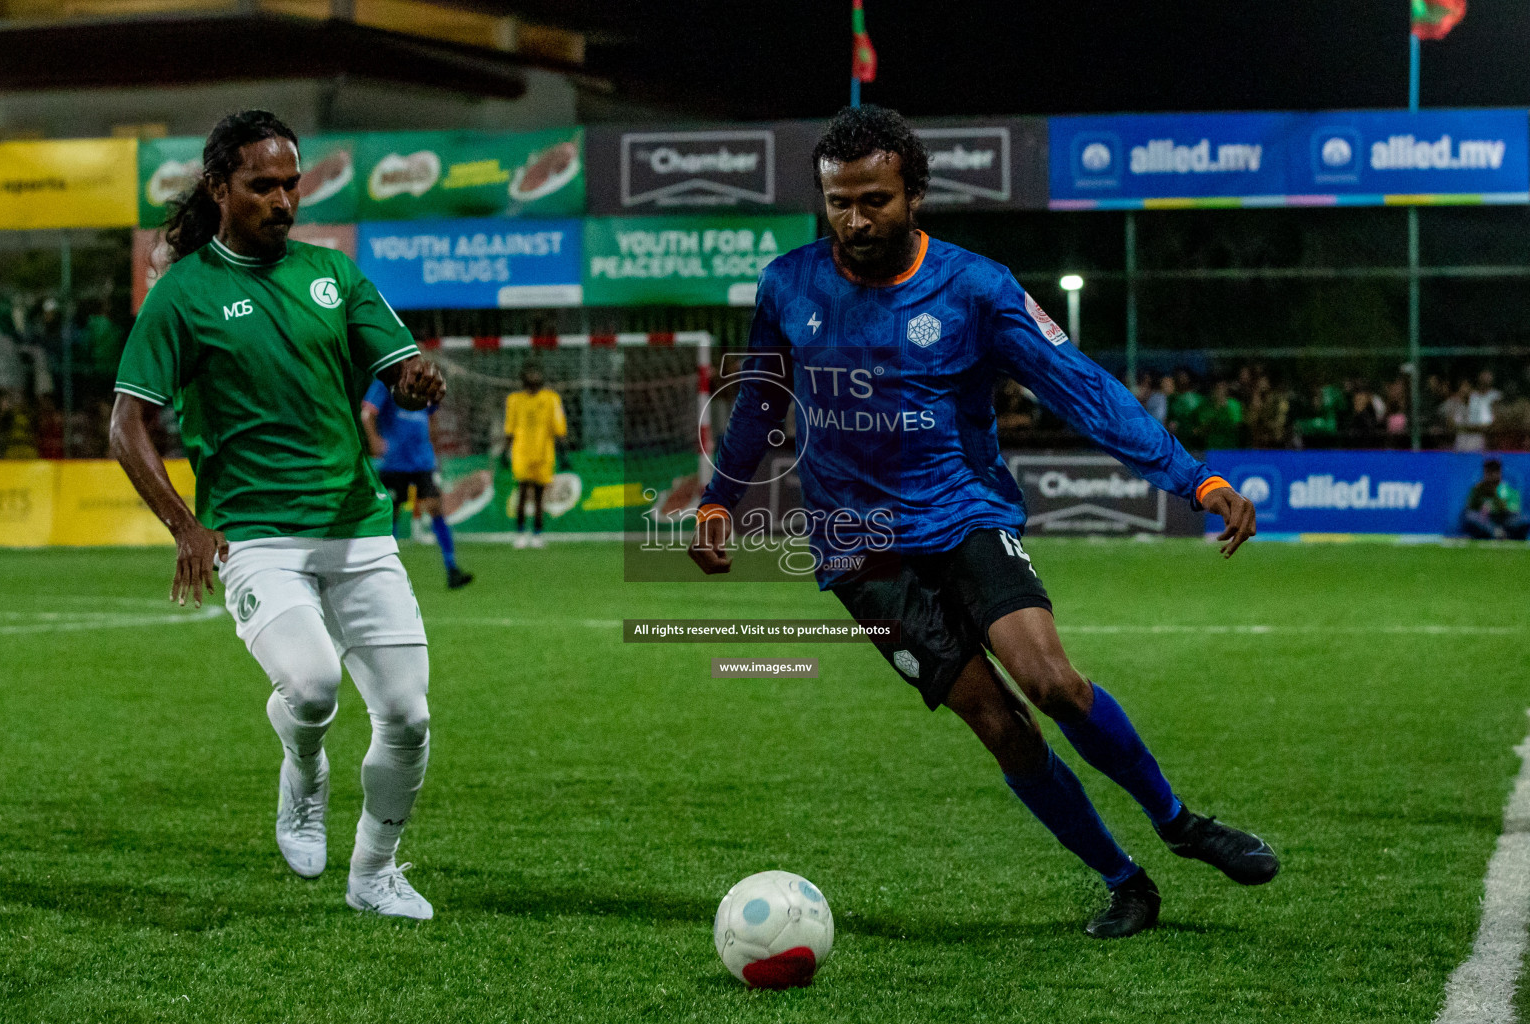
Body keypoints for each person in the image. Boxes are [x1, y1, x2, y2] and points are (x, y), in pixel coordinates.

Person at [688, 105, 1277, 941]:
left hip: (963, 514)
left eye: (875, 201)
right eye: (838, 203)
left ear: (916, 194)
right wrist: (720, 501)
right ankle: (1124, 881)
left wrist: (1194, 478)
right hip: (858, 552)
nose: (855, 221)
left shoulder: (975, 287)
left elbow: (1079, 385)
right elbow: (759, 402)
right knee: (999, 725)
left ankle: (1179, 822)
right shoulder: (788, 284)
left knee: (1051, 683)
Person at [110, 111, 441, 920]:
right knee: (316, 685)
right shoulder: (183, 295)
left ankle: (375, 872)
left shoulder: (334, 273)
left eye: (292, 183)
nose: (283, 200)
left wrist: (415, 383)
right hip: (256, 535)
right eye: (263, 185)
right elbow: (126, 425)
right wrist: (188, 526)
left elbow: (396, 366)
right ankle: (303, 770)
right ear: (220, 187)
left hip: (357, 526)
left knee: (407, 716)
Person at [361, 381, 474, 589]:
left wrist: (434, 446)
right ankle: (384, 573)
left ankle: (452, 569)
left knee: (435, 508)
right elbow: (367, 412)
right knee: (390, 515)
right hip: (395, 461)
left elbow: (431, 416)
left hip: (422, 460)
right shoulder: (386, 381)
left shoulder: (422, 380)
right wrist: (374, 440)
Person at [503, 365, 567, 549]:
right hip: (521, 453)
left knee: (540, 496)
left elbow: (559, 428)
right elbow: (510, 428)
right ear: (523, 377)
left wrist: (563, 453)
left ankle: (538, 534)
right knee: (522, 494)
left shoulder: (551, 399)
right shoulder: (514, 400)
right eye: (530, 373)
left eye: (536, 373)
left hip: (543, 453)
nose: (534, 376)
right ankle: (520, 533)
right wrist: (504, 452)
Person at [1461, 458, 1529, 540]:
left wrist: (1495, 494)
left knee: (1525, 519)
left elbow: (1513, 510)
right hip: (1487, 521)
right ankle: (1496, 533)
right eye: (1489, 471)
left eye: (1495, 471)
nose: (1492, 475)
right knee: (1470, 517)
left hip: (1506, 520)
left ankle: (1504, 534)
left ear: (1500, 472)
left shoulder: (1508, 489)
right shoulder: (1478, 489)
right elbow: (1470, 508)